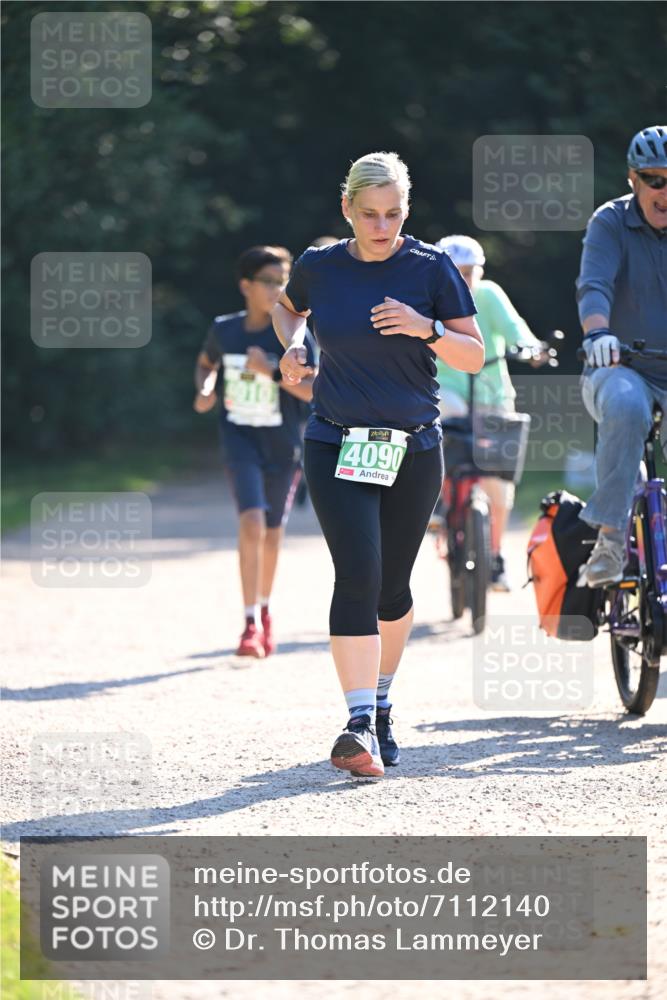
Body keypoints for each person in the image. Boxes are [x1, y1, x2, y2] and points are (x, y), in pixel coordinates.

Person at [272, 152, 484, 778]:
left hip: (412, 447)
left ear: (406, 211)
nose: (382, 227)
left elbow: (472, 355)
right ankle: (358, 720)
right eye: (369, 214)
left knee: (392, 588)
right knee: (357, 573)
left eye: (393, 214)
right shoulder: (320, 266)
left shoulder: (431, 267)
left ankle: (382, 700)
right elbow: (288, 308)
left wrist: (425, 327)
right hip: (334, 440)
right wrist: (294, 343)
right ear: (347, 209)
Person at [193, 245, 316, 657]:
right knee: (251, 522)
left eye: (283, 281)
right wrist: (206, 389)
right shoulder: (224, 330)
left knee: (273, 534)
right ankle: (249, 624)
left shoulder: (294, 334)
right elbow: (206, 363)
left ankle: (265, 610)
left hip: (282, 445)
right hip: (239, 439)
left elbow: (313, 389)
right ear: (246, 285)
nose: (277, 289)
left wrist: (272, 371)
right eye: (268, 281)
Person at [576, 125, 667, 587]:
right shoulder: (609, 222)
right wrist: (599, 334)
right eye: (655, 179)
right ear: (633, 178)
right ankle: (611, 542)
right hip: (619, 367)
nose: (665, 191)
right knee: (628, 406)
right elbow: (594, 286)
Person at [435, 235, 545, 591]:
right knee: (435, 426)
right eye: (457, 272)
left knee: (499, 487)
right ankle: (437, 503)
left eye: (470, 272)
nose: (464, 279)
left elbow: (516, 330)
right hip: (448, 392)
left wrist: (530, 348)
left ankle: (494, 556)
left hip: (492, 395)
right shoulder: (429, 297)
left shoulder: (489, 295)